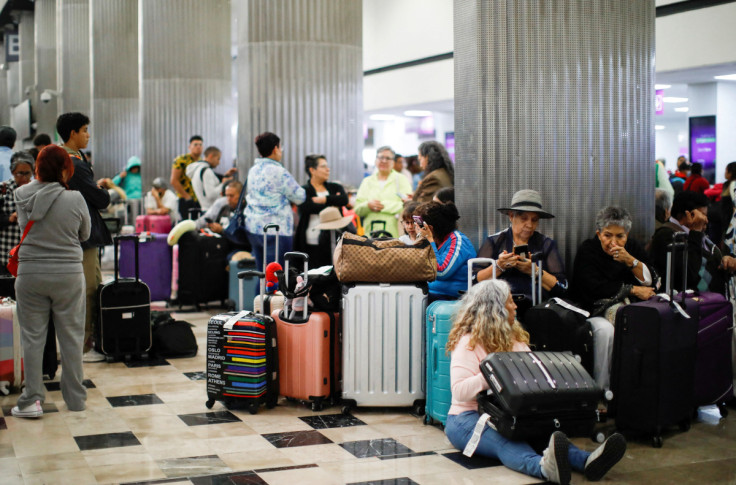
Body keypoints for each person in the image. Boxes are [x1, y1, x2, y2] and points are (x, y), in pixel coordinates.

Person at [445, 279, 627, 484]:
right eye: (510, 302)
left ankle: (588, 462)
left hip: (507, 413)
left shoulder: (515, 339)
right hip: (467, 417)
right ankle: (542, 469)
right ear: (495, 309)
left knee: (542, 433)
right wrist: (493, 373)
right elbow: (460, 391)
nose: (515, 306)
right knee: (506, 441)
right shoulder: (468, 343)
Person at [11, 145, 91, 418]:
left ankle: (32, 400)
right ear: (65, 168)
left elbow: (26, 225)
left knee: (33, 339)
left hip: (31, 273)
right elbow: (85, 233)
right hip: (68, 274)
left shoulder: (20, 194)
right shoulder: (76, 198)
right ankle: (76, 400)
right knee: (71, 337)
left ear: (37, 168)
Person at [572, 206, 656, 390]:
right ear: (598, 233)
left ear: (627, 235)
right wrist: (632, 290)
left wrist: (631, 261)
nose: (613, 242)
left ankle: (635, 386)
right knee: (606, 332)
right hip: (594, 310)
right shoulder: (589, 250)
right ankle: (603, 390)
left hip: (630, 310)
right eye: (607, 235)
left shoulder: (632, 248)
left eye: (620, 236)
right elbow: (592, 287)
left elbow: (652, 280)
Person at [60, 112, 112, 363]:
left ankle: (88, 340)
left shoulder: (67, 158)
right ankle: (83, 345)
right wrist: (103, 191)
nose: (88, 135)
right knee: (88, 290)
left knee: (92, 286)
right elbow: (100, 198)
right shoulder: (74, 163)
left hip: (76, 232)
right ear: (72, 133)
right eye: (84, 130)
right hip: (83, 234)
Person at [476, 190, 568, 314]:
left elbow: (562, 287)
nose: (529, 225)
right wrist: (499, 267)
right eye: (524, 218)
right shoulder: (495, 242)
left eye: (534, 220)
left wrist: (534, 271)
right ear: (511, 216)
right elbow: (474, 281)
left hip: (536, 311)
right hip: (499, 310)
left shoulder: (545, 245)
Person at [650, 191, 736, 295]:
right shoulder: (666, 236)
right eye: (702, 216)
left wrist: (726, 262)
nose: (706, 220)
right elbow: (688, 273)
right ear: (683, 216)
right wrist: (695, 231)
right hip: (687, 306)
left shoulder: (699, 235)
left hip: (714, 304)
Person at [244, 132, 305, 271]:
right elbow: (300, 197)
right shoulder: (279, 171)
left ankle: (259, 294)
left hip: (254, 229)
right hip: (275, 230)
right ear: (275, 149)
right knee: (276, 277)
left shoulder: (253, 170)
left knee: (262, 274)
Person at [414, 201, 477, 302]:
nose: (416, 229)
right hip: (432, 293)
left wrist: (430, 241)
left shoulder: (458, 240)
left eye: (419, 226)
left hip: (451, 298)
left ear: (429, 228)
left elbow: (441, 271)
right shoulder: (436, 241)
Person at [294, 154, 349, 267]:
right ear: (312, 170)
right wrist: (333, 206)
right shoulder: (304, 190)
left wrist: (324, 199)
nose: (327, 169)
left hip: (335, 237)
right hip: (312, 238)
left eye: (327, 166)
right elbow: (307, 207)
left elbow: (344, 199)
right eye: (323, 166)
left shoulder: (335, 187)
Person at [354, 146, 412, 237]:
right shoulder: (367, 181)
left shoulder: (401, 180)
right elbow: (357, 208)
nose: (384, 161)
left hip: (394, 233)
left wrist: (381, 206)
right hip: (370, 233)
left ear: (393, 162)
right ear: (375, 160)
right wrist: (368, 205)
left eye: (388, 158)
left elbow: (408, 205)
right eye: (381, 157)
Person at [0, 152, 35, 273]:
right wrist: (10, 218)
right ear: (13, 172)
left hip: (30, 255)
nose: (24, 178)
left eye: (28, 173)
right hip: (6, 253)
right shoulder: (4, 189)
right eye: (20, 173)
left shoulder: (37, 190)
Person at [186, 146, 237, 211]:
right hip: (212, 210)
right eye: (218, 159)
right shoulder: (206, 171)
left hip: (205, 209)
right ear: (211, 156)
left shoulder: (198, 170)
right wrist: (223, 184)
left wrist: (225, 176)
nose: (219, 162)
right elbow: (211, 195)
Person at [170, 135, 203, 220]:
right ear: (189, 147)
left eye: (200, 145)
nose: (198, 147)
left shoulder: (202, 161)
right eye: (195, 144)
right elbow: (174, 180)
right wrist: (187, 196)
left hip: (199, 199)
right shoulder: (181, 160)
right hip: (185, 199)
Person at [721, 162, 736, 253]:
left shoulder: (733, 184)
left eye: (726, 170)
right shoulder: (728, 184)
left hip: (730, 223)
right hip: (727, 222)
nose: (725, 172)